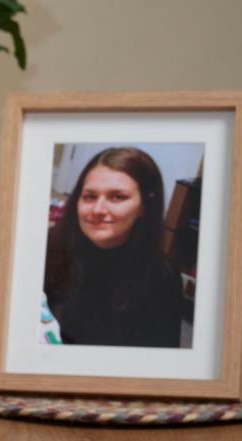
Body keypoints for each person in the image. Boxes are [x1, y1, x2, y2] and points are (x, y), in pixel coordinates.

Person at [43, 147, 186, 348]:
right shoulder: (48, 248)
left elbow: (160, 361)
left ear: (145, 205)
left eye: (117, 197)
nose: (98, 210)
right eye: (90, 196)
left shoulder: (162, 277)